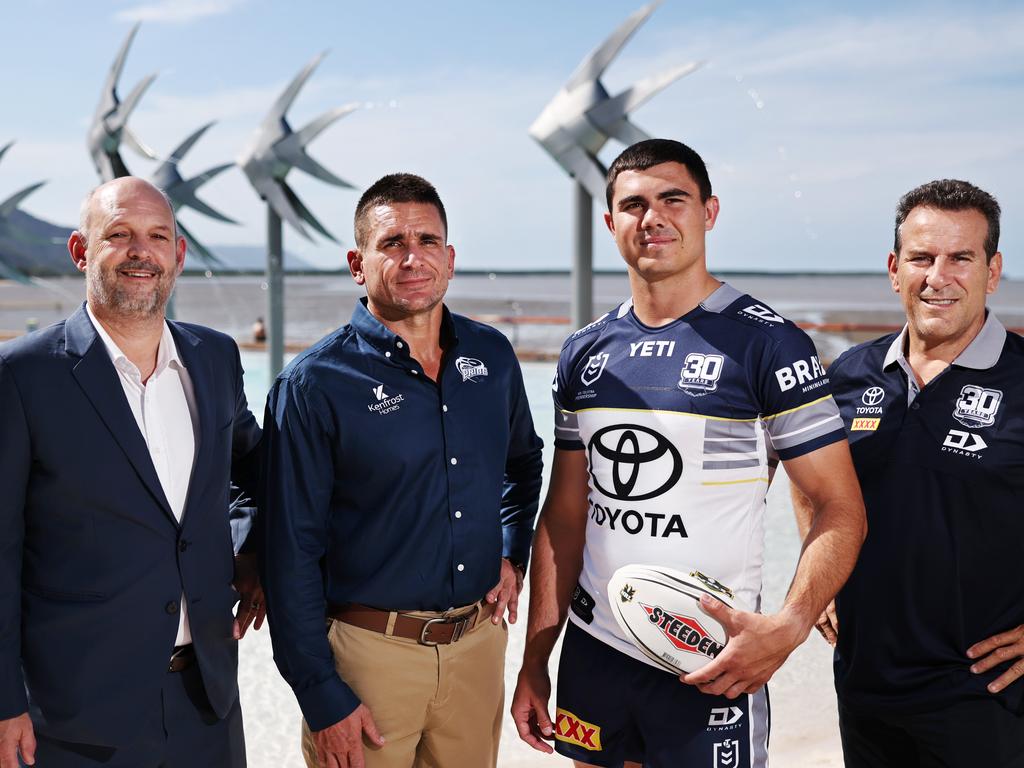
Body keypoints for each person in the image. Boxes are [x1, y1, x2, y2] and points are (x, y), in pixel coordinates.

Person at [511, 138, 867, 768]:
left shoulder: (769, 344)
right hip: (595, 653)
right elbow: (565, 516)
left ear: (710, 211)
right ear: (610, 223)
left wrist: (787, 628)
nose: (653, 218)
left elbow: (840, 506)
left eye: (673, 199)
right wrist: (536, 658)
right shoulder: (584, 352)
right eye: (634, 204)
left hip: (714, 655)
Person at [261, 173, 543, 768]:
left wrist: (512, 552)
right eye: (392, 243)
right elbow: (290, 551)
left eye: (428, 241)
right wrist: (319, 694)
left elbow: (522, 462)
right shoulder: (313, 384)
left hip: (477, 647)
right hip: (368, 658)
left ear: (450, 258)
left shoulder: (492, 356)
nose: (413, 258)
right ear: (357, 264)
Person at [0, 177, 263, 768]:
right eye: (118, 235)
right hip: (75, 717)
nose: (141, 251)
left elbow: (254, 465)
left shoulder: (215, 358)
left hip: (208, 704)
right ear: (80, 251)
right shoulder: (20, 377)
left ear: (179, 254)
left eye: (157, 236)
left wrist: (251, 549)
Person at [792, 179, 1024, 767]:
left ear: (993, 271)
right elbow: (807, 474)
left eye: (961, 258)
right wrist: (816, 568)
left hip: (989, 695)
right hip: (865, 685)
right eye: (921, 257)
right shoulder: (848, 373)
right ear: (895, 269)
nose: (937, 276)